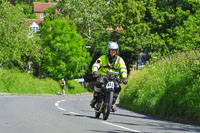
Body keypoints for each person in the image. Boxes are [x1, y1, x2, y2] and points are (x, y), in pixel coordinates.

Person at [90, 42, 128, 111]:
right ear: (108, 50)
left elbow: (123, 68)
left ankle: (112, 103)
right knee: (99, 82)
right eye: (112, 50)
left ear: (117, 51)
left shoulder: (120, 60)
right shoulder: (103, 58)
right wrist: (95, 71)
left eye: (115, 50)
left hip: (114, 78)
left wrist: (124, 77)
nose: (113, 51)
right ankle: (95, 98)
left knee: (117, 87)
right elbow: (96, 64)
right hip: (104, 76)